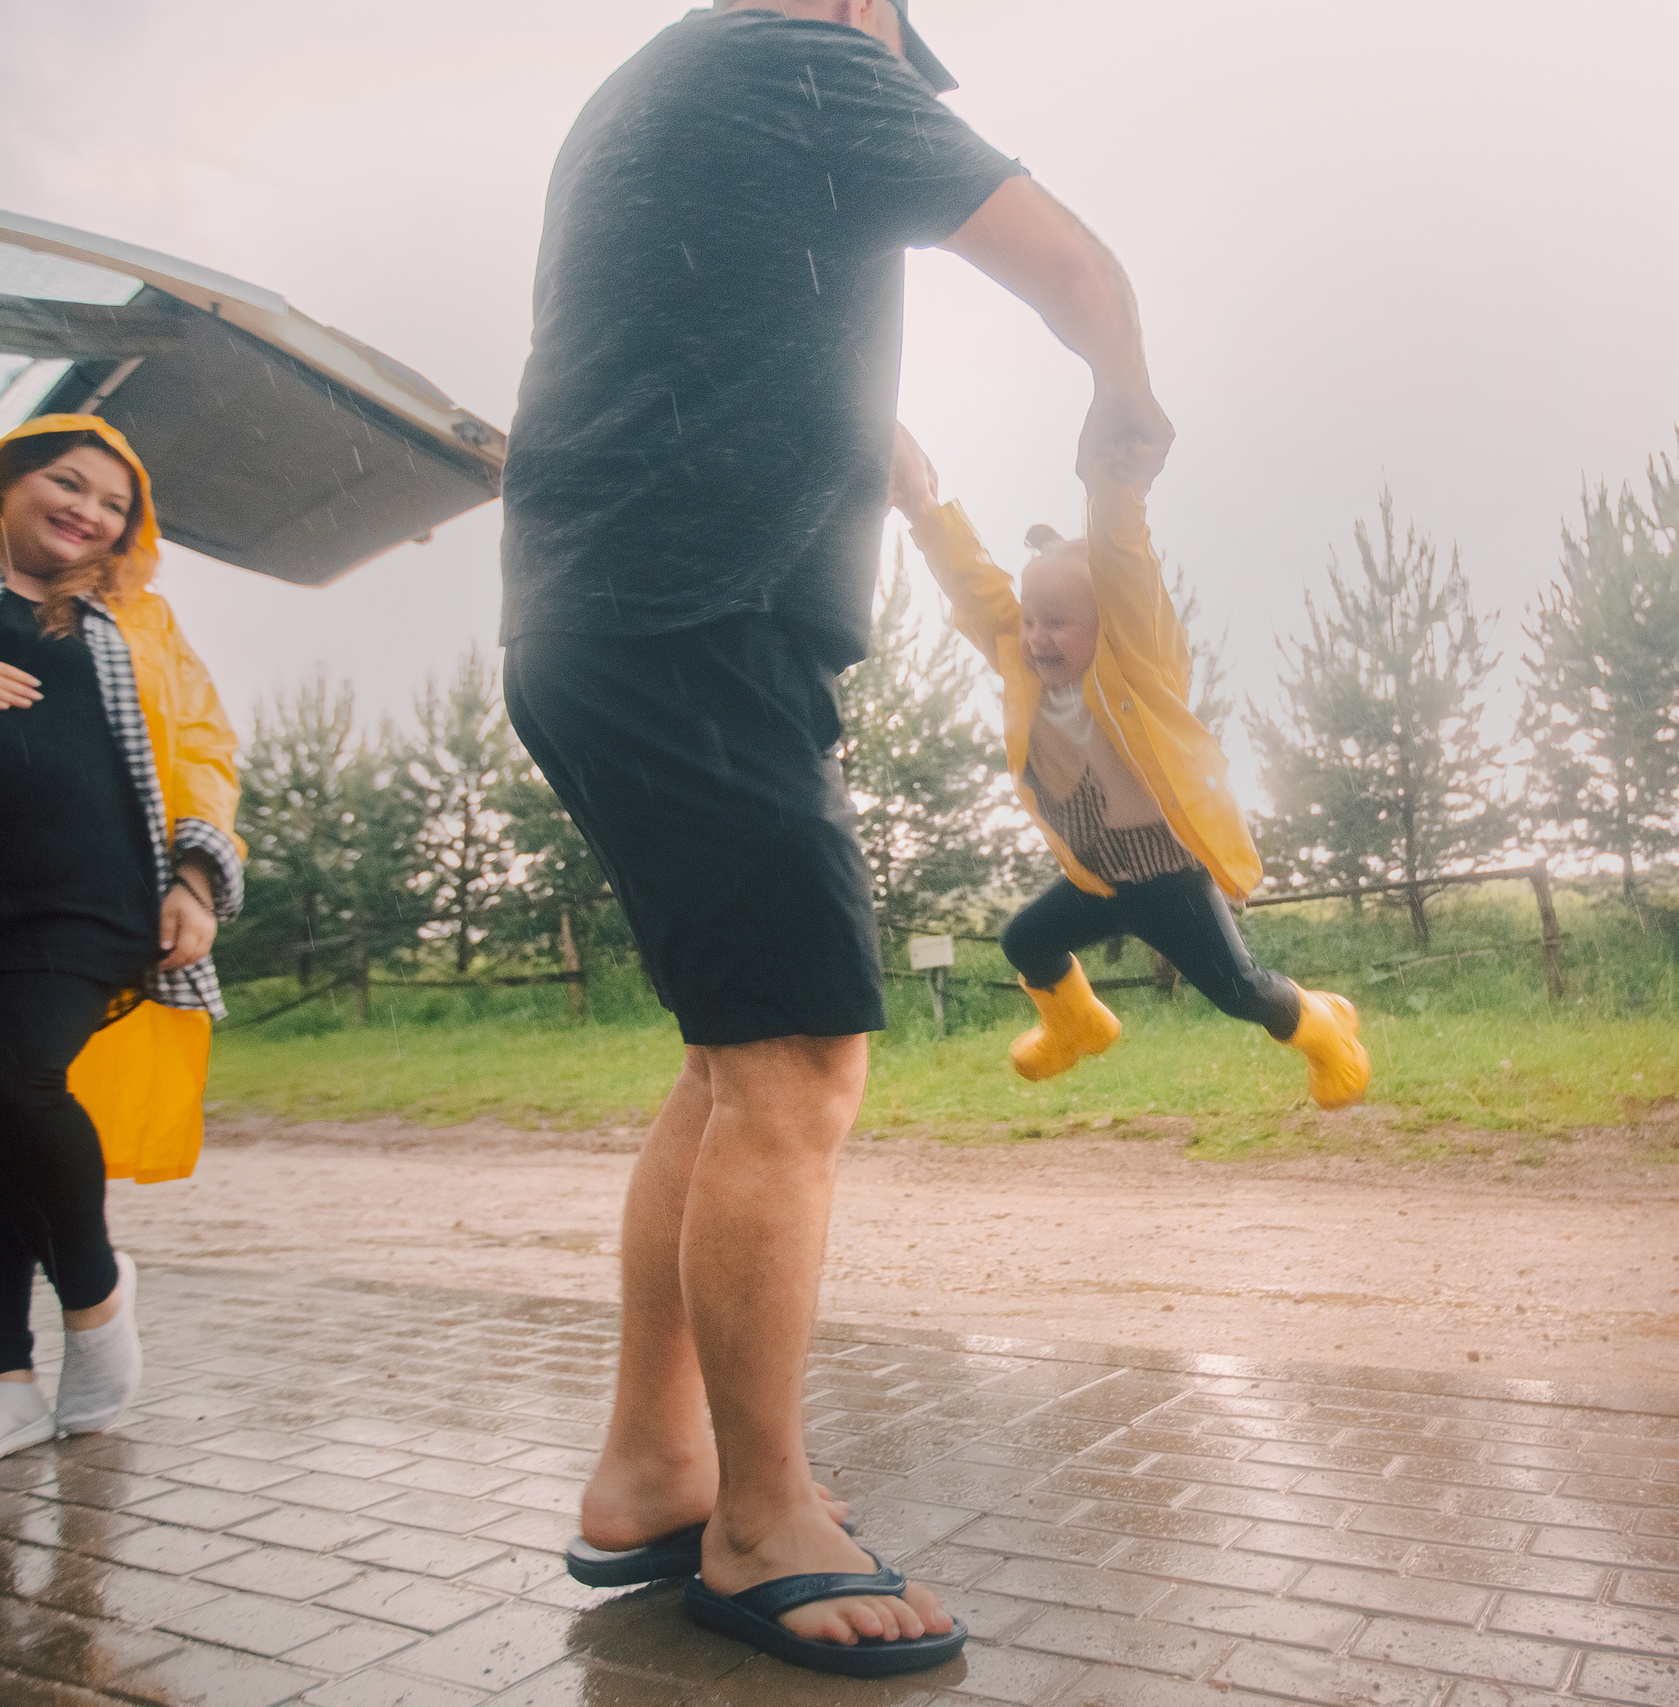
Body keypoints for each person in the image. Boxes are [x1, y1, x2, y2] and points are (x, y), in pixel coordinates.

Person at [498, 0, 1169, 1678]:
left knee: (734, 1063)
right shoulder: (800, 57)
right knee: (799, 1062)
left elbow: (707, 320)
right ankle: (760, 1519)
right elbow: (1076, 267)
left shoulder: (668, 85)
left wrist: (853, 442)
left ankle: (657, 1472)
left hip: (627, 618)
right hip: (694, 623)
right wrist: (1125, 393)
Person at [0, 414, 243, 1485]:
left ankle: (95, 1295)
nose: (89, 512)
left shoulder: (139, 617)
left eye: (114, 503)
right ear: (4, 483)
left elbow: (205, 749)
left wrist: (197, 878)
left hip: (79, 898)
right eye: (67, 483)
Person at [891, 428, 1372, 1106]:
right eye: (1031, 621)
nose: (1036, 638)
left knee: (1239, 991)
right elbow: (977, 591)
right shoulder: (1023, 666)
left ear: (1107, 624)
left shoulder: (1140, 668)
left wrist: (1115, 490)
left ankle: (1325, 1026)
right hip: (1096, 878)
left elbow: (1128, 572)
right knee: (1026, 940)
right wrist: (923, 509)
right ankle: (1078, 1024)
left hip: (1168, 879)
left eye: (1058, 623)